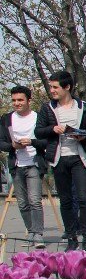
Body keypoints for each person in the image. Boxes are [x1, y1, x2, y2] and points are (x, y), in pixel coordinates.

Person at [34, 70, 86, 252]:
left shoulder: (84, 107)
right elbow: (38, 131)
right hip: (58, 159)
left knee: (83, 199)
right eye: (51, 87)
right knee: (65, 200)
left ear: (67, 87)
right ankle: (71, 238)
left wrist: (83, 136)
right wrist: (52, 129)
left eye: (55, 87)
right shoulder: (47, 108)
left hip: (79, 158)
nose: (52, 90)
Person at [0, 85, 47, 248]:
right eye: (13, 100)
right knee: (22, 202)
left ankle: (38, 234)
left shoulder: (38, 117)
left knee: (35, 200)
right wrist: (13, 146)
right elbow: (2, 143)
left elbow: (46, 141)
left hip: (34, 162)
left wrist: (32, 142)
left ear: (28, 100)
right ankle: (31, 231)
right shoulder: (7, 119)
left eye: (20, 100)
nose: (16, 103)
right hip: (16, 164)